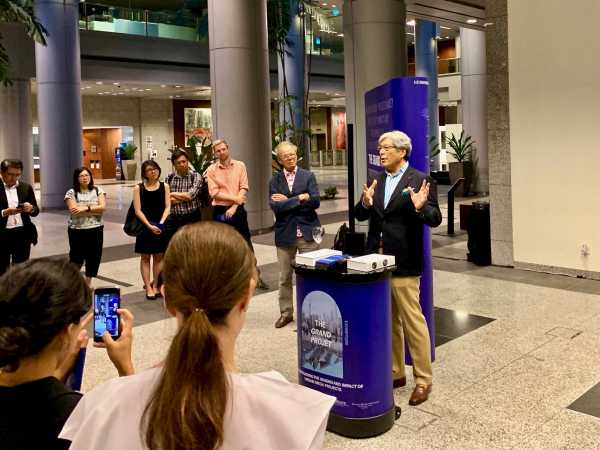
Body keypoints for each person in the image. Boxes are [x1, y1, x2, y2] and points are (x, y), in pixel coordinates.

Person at [61, 222, 335, 450]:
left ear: (166, 298)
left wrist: (127, 373)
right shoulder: (293, 416)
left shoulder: (99, 409)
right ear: (246, 296)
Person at [0, 258, 134, 450]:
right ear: (65, 331)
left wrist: (60, 370)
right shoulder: (77, 415)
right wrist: (126, 367)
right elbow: (136, 437)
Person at [355, 130, 442, 406]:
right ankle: (395, 372)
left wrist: (420, 208)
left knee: (412, 321)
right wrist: (364, 203)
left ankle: (423, 379)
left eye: (386, 148)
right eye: (379, 148)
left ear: (402, 152)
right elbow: (361, 214)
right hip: (377, 262)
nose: (381, 152)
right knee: (388, 320)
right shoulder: (376, 180)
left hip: (404, 262)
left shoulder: (420, 180)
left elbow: (435, 218)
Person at [269, 141, 321, 329]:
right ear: (279, 160)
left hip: (307, 231)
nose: (290, 158)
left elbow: (315, 202)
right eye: (285, 156)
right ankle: (286, 313)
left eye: (292, 154)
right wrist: (299, 198)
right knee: (284, 277)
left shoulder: (308, 176)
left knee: (311, 275)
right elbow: (275, 207)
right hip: (285, 234)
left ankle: (313, 314)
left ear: (296, 154)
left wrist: (288, 202)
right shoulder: (274, 181)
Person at [206, 139, 269, 290]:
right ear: (215, 153)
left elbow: (244, 187)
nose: (221, 153)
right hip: (220, 211)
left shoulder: (240, 165)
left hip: (237, 210)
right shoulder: (211, 170)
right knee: (222, 246)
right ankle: (227, 281)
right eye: (218, 151)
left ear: (228, 148)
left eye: (223, 149)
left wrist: (234, 206)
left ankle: (256, 276)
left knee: (246, 243)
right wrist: (235, 199)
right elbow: (214, 193)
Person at [133, 160, 171, 300]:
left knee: (159, 256)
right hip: (145, 227)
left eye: (155, 169)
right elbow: (138, 210)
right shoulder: (139, 188)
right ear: (144, 173)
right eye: (149, 170)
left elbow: (168, 206)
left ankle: (155, 285)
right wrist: (149, 225)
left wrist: (161, 223)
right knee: (145, 257)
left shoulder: (164, 186)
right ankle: (148, 287)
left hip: (160, 226)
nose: (153, 171)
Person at [64, 167, 106, 287]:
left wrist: (84, 208)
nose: (85, 178)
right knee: (76, 258)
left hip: (96, 229)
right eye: (81, 176)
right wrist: (94, 209)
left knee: (94, 257)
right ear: (77, 178)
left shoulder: (98, 190)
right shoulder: (71, 192)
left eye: (87, 175)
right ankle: (72, 284)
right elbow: (73, 211)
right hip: (77, 230)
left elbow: (103, 208)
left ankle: (87, 284)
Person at [0, 159, 39, 276]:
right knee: (1, 269)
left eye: (17, 175)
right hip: (2, 234)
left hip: (22, 234)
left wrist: (31, 208)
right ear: (2, 172)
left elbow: (36, 210)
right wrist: (4, 213)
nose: (14, 178)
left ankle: (18, 292)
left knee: (21, 270)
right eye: (10, 174)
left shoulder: (25, 187)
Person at [164, 149, 204, 242]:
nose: (182, 164)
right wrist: (185, 197)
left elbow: (191, 195)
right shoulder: (169, 178)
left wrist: (172, 194)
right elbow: (166, 199)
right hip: (174, 218)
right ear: (174, 165)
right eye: (178, 163)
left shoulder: (196, 176)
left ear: (187, 161)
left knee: (193, 245)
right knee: (174, 246)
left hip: (192, 217)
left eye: (184, 161)